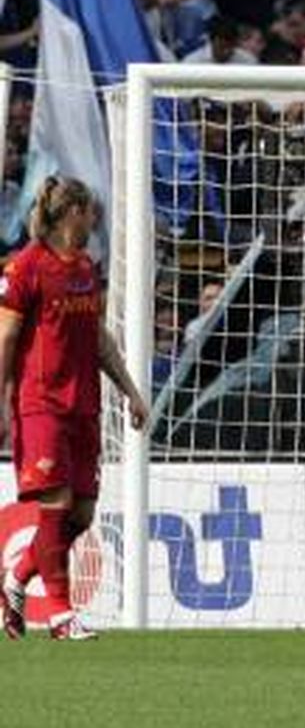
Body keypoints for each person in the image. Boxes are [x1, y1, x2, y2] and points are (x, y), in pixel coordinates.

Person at [0, 177, 149, 640]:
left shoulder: (85, 267)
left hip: (85, 406)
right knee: (55, 503)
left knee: (80, 515)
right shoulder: (25, 267)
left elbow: (98, 338)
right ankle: (61, 616)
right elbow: (5, 338)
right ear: (72, 213)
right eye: (90, 212)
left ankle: (15, 578)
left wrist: (130, 390)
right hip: (40, 404)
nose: (95, 220)